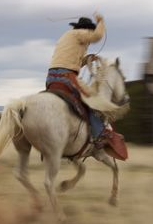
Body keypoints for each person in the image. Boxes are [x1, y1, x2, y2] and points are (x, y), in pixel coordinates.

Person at [45, 13, 114, 148]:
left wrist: (86, 59)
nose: (90, 34)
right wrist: (101, 22)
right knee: (91, 100)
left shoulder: (67, 36)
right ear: (87, 29)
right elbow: (97, 36)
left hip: (51, 77)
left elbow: (69, 60)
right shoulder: (80, 33)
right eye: (90, 30)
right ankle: (100, 134)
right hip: (66, 76)